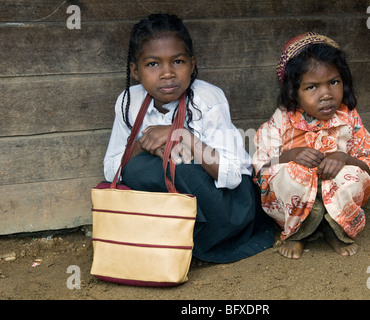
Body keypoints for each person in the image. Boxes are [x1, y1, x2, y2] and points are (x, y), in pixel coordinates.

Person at [103, 14, 273, 263]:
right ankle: (172, 238)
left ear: (192, 64)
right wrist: (144, 144)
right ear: (134, 70)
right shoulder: (129, 102)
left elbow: (233, 177)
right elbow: (112, 171)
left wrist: (182, 136)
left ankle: (203, 240)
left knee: (180, 163)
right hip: (182, 206)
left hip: (228, 206)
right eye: (153, 64)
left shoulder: (207, 100)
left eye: (178, 61)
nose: (167, 73)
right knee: (140, 166)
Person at [253, 32, 370, 259]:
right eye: (312, 87)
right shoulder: (282, 119)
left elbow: (369, 157)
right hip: (297, 197)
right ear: (293, 91)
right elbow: (262, 165)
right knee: (290, 174)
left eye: (334, 82)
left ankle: (335, 229)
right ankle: (298, 232)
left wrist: (345, 158)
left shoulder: (348, 117)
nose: (326, 95)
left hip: (336, 191)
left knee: (351, 174)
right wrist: (289, 156)